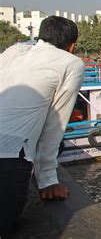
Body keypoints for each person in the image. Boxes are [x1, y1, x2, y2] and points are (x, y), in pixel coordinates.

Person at [0, 16, 85, 237]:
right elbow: (55, 123)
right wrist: (47, 180)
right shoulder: (71, 63)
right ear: (72, 46)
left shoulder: (12, 52)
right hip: (8, 156)